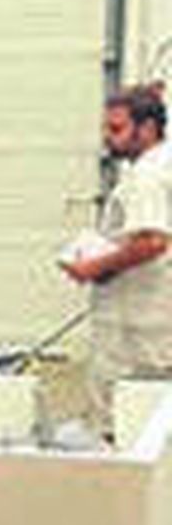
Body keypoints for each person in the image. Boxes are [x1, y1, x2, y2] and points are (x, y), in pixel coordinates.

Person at [60, 83, 172, 425]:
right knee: (153, 415)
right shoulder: (164, 164)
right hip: (156, 315)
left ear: (148, 128)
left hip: (136, 325)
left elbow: (153, 241)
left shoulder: (147, 176)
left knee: (121, 416)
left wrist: (93, 266)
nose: (108, 137)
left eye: (117, 129)